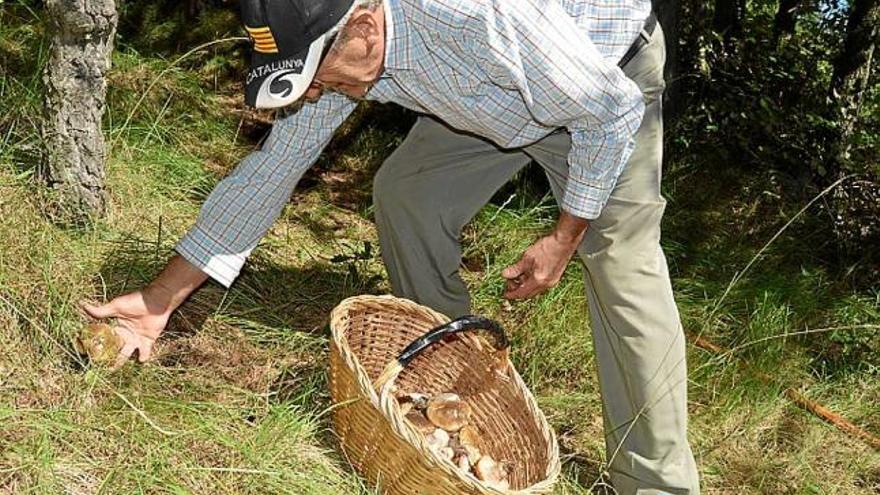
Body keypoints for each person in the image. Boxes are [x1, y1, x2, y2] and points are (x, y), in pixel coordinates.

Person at [83, 0, 700, 492]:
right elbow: (272, 169)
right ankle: (459, 379)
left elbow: (610, 111)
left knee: (621, 264)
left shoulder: (475, 16)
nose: (314, 91)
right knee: (409, 194)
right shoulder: (341, 52)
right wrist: (161, 298)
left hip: (602, 80)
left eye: (316, 71)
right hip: (491, 93)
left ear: (366, 27)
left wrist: (565, 236)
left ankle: (657, 482)